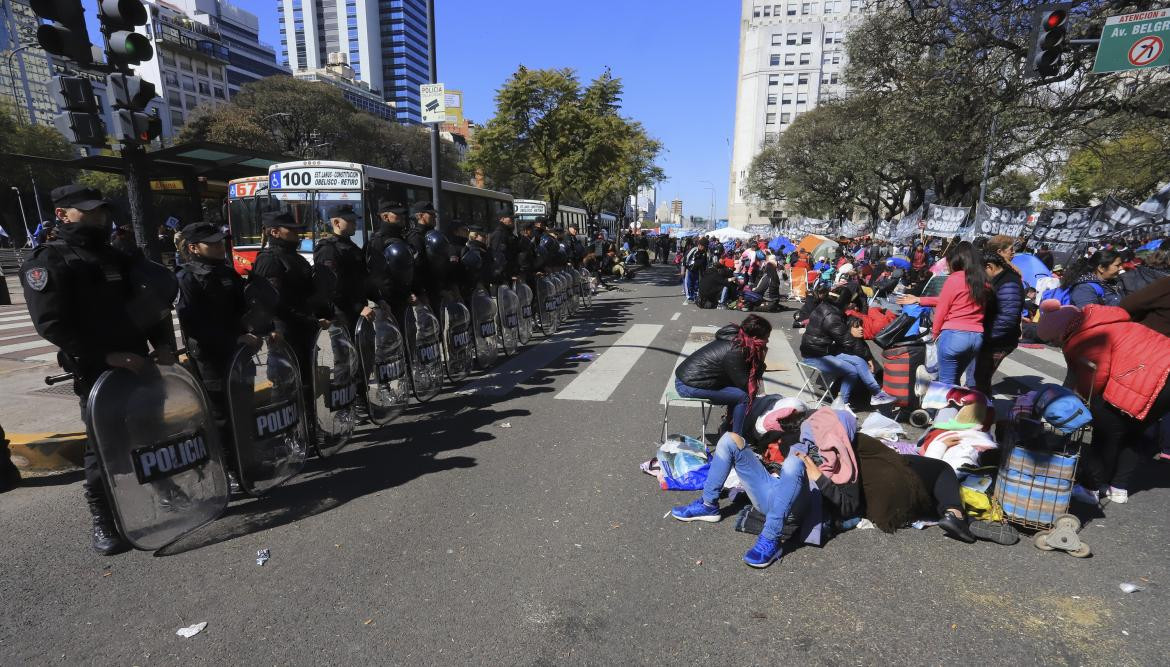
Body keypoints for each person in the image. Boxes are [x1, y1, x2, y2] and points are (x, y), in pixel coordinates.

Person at [21, 185, 178, 554]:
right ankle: (104, 518)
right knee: (102, 445)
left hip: (138, 360)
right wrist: (106, 357)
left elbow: (148, 301)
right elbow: (52, 324)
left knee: (151, 430)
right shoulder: (49, 260)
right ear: (62, 214)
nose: (99, 218)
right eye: (88, 212)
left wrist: (164, 344)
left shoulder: (116, 256)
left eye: (102, 212)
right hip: (97, 370)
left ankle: (164, 489)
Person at [671, 405, 993, 568]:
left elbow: (850, 506)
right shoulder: (810, 442)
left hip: (789, 512)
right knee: (730, 440)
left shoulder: (845, 464)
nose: (820, 438)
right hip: (771, 493)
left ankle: (770, 541)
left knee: (796, 463)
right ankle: (709, 504)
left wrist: (818, 476)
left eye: (828, 433)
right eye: (816, 431)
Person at [1039, 300, 1170, 504]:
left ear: (1061, 332)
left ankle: (1091, 487)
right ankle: (1118, 488)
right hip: (1164, 375)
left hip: (1150, 376)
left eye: (1054, 341)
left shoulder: (1084, 337)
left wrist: (1078, 403)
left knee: (1107, 432)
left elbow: (1095, 377)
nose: (1056, 345)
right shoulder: (1105, 322)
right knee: (1135, 432)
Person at [176, 221, 260, 490]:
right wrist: (234, 338)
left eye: (219, 241)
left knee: (243, 407)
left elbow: (241, 309)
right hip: (211, 357)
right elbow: (195, 325)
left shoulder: (227, 272)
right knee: (221, 416)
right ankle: (227, 471)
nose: (219, 246)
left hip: (239, 353)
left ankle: (245, 461)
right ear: (193, 248)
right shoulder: (186, 278)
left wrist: (254, 327)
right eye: (211, 243)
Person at [252, 211, 329, 414]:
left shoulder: (296, 259)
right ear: (275, 232)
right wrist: (276, 327)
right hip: (285, 331)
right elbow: (273, 302)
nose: (297, 234)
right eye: (292, 230)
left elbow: (308, 294)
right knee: (286, 384)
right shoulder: (269, 260)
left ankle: (310, 430)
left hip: (304, 328)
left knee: (306, 382)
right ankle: (288, 434)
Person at [898, 241, 988, 387]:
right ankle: (955, 407)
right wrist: (920, 299)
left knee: (945, 385)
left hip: (954, 336)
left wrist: (935, 333)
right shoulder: (983, 281)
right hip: (976, 337)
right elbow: (955, 300)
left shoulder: (955, 278)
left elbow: (943, 308)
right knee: (956, 380)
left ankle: (942, 408)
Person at [800, 285, 896, 409]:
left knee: (859, 361)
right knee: (851, 371)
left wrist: (866, 357)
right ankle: (842, 404)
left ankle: (877, 394)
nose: (849, 304)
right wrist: (868, 357)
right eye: (848, 302)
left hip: (825, 350)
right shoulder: (831, 316)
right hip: (815, 355)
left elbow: (845, 323)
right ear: (843, 302)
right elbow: (848, 341)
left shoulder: (828, 308)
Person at [673, 314, 771, 435]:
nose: (767, 341)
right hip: (688, 385)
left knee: (737, 393)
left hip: (694, 379)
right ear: (755, 337)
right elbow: (745, 385)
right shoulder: (736, 350)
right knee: (743, 397)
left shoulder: (739, 340)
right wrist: (761, 360)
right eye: (766, 337)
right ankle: (736, 440)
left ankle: (727, 428)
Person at [314, 204, 374, 335]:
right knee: (347, 354)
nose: (354, 224)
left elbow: (362, 279)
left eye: (354, 220)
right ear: (336, 223)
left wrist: (377, 298)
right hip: (342, 315)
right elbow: (332, 289)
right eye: (350, 221)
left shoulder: (351, 247)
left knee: (364, 353)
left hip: (360, 311)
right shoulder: (328, 249)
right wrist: (358, 308)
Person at [973, 252, 1023, 395]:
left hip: (999, 341)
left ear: (990, 267)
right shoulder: (1000, 280)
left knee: (981, 378)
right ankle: (983, 407)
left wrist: (986, 336)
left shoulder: (1009, 283)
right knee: (981, 378)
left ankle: (983, 410)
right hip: (993, 337)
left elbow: (1007, 318)